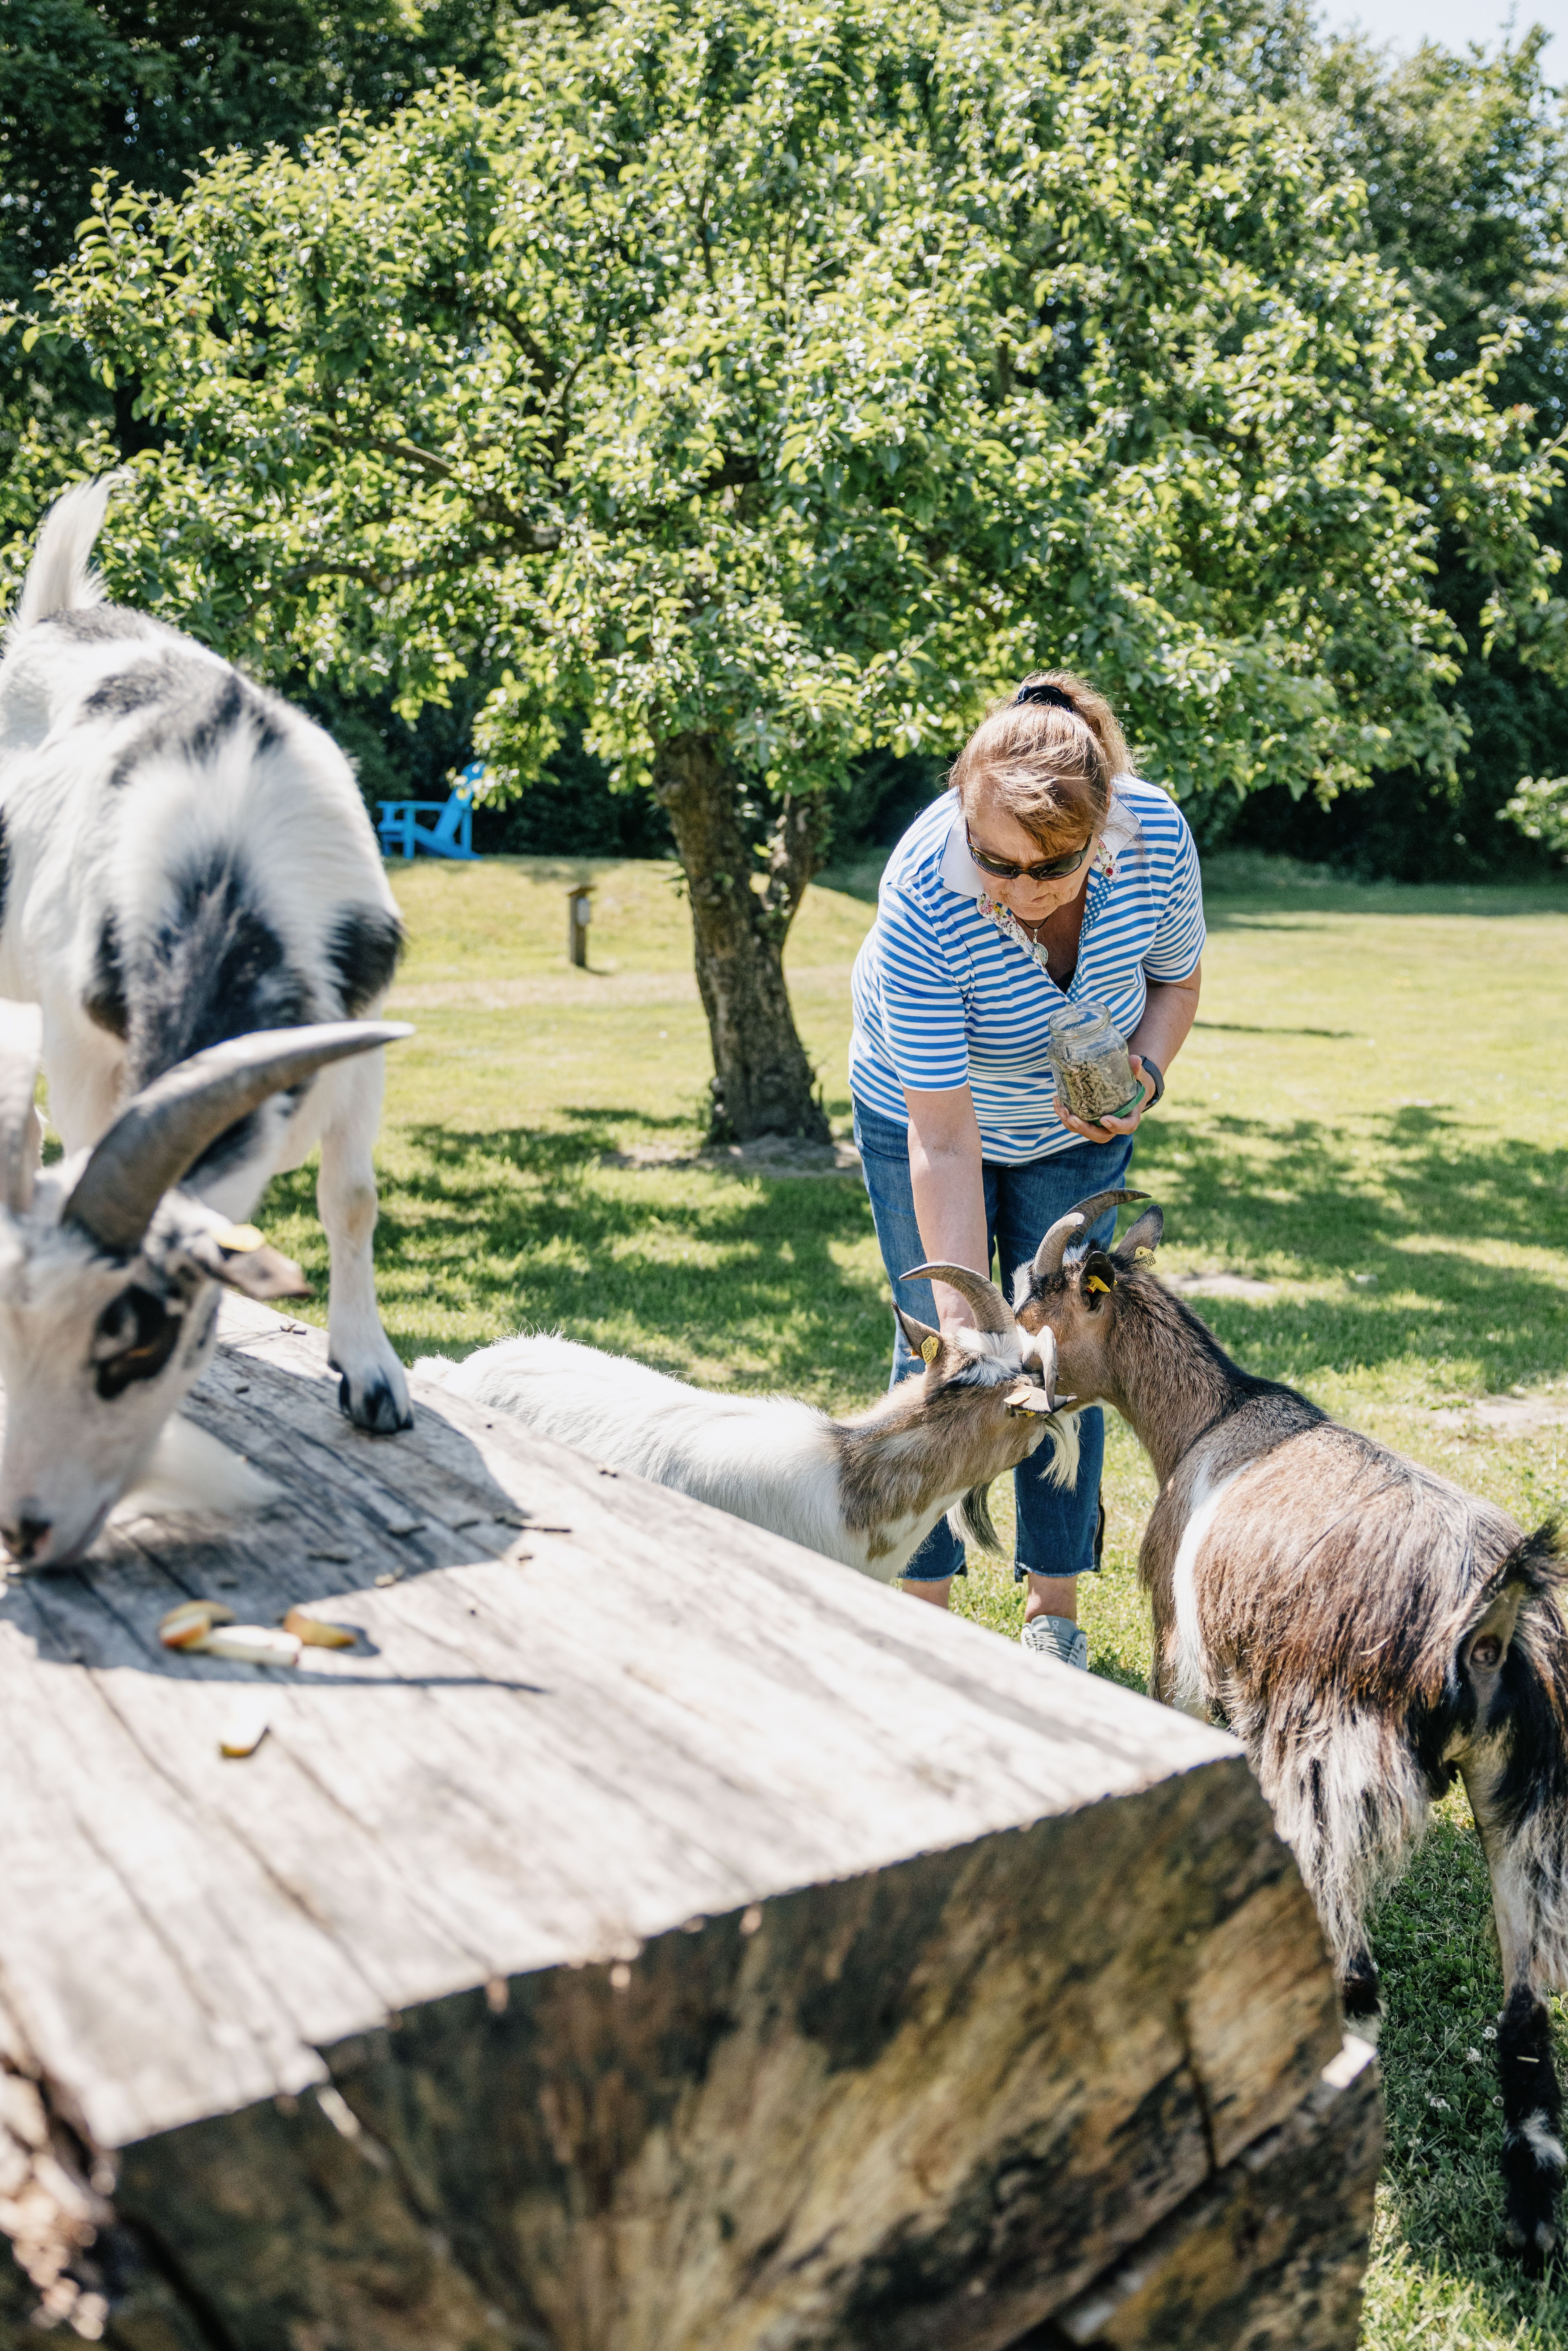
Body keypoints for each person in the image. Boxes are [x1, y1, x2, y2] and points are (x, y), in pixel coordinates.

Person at [849, 671, 1204, 1666]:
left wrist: (1144, 1073)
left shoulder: (1155, 839)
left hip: (1072, 1134)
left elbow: (1175, 981)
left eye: (1050, 866)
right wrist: (965, 1311)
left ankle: (1056, 1617)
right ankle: (922, 1610)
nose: (1019, 889)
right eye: (994, 863)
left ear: (1099, 835)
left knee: (1065, 1355)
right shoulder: (925, 890)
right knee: (946, 1349)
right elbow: (945, 1142)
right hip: (922, 1114)